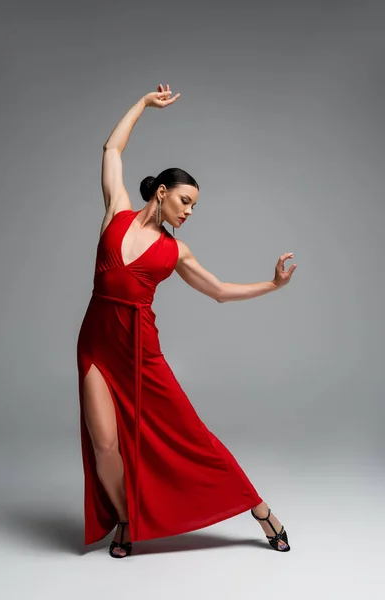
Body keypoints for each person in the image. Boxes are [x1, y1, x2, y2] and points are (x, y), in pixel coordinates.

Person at [76, 84, 297, 559]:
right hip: (95, 341)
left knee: (189, 433)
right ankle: (127, 519)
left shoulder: (176, 250)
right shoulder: (115, 211)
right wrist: (142, 104)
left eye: (194, 206)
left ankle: (258, 508)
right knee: (104, 444)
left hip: (141, 349)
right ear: (162, 192)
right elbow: (112, 149)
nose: (190, 211)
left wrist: (272, 285)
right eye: (186, 201)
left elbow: (217, 291)